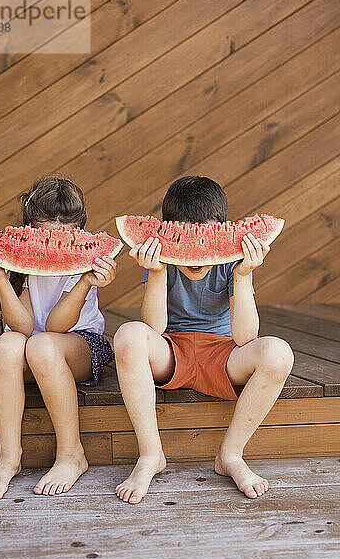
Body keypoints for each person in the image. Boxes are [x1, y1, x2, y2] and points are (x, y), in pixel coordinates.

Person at [113, 175, 294, 504]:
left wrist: (242, 274)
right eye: (183, 237)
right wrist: (155, 274)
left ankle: (231, 454)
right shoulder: (160, 257)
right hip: (172, 351)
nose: (194, 253)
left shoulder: (233, 260)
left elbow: (245, 337)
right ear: (168, 232)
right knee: (128, 336)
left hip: (224, 356)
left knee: (278, 353)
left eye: (206, 236)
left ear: (222, 229)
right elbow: (153, 329)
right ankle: (150, 454)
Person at [0, 173, 116, 500]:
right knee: (6, 345)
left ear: (78, 231)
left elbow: (57, 326)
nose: (53, 245)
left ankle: (71, 454)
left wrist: (86, 281)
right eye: (44, 234)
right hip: (31, 348)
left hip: (77, 347)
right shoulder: (15, 256)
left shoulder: (85, 260)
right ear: (29, 227)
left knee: (43, 345)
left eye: (64, 236)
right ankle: (9, 457)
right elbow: (21, 326)